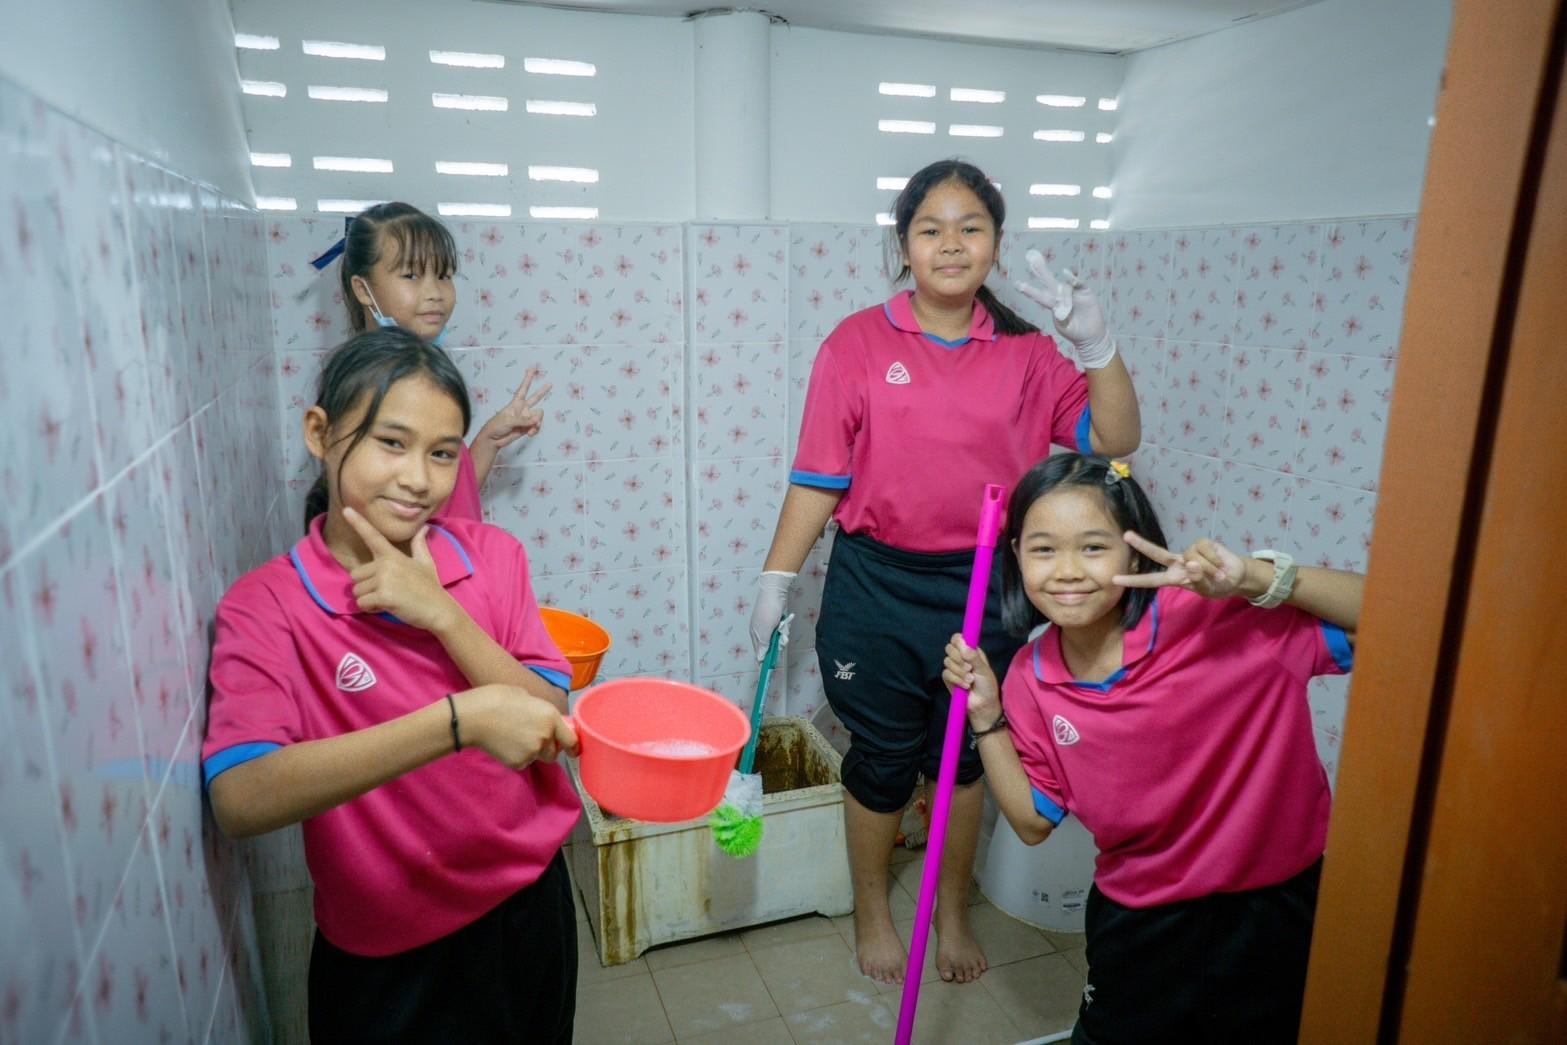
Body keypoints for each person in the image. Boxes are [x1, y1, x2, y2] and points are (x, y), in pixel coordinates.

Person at [749, 158, 1142, 985]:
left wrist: (1094, 344)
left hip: (986, 583)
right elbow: (818, 476)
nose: (951, 243)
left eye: (971, 227)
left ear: (995, 245)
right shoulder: (855, 344)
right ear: (904, 244)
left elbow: (1112, 440)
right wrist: (775, 578)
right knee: (883, 758)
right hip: (874, 582)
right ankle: (873, 908)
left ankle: (951, 910)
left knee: (966, 755)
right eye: (931, 228)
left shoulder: (1031, 356)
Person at [203, 328, 581, 1043]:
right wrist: (455, 721)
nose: (418, 478)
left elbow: (547, 716)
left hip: (529, 908)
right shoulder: (269, 604)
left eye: (442, 452)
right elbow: (241, 795)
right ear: (321, 432)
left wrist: (442, 614)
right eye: (391, 442)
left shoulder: (493, 556)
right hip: (383, 952)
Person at [943, 453, 1363, 1043]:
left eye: (1093, 547)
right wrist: (987, 718)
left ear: (1134, 551)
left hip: (1276, 907)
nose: (1067, 571)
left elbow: (1392, 617)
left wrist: (1257, 578)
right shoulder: (1029, 678)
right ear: (1015, 556)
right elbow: (1033, 819)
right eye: (1042, 549)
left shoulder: (1220, 618)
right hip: (1139, 917)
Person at [332, 201, 550, 523]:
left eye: (444, 275)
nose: (435, 292)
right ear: (364, 290)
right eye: (411, 275)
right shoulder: (370, 387)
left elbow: (447, 498)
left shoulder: (418, 371)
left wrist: (489, 439)